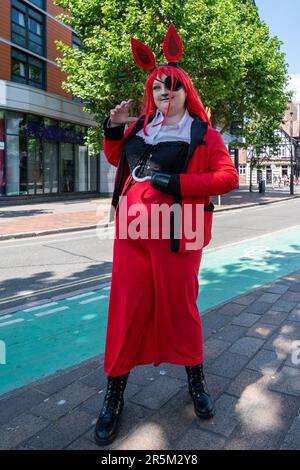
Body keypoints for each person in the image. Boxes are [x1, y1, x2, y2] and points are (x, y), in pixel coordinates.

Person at [94, 24, 239, 446]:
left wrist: (176, 184)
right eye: (157, 86)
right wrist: (113, 126)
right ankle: (114, 396)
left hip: (179, 234)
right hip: (132, 235)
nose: (164, 92)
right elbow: (119, 158)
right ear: (151, 91)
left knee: (180, 310)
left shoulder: (202, 133)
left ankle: (196, 382)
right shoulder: (141, 126)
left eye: (172, 86)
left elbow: (226, 177)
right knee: (126, 310)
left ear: (184, 90)